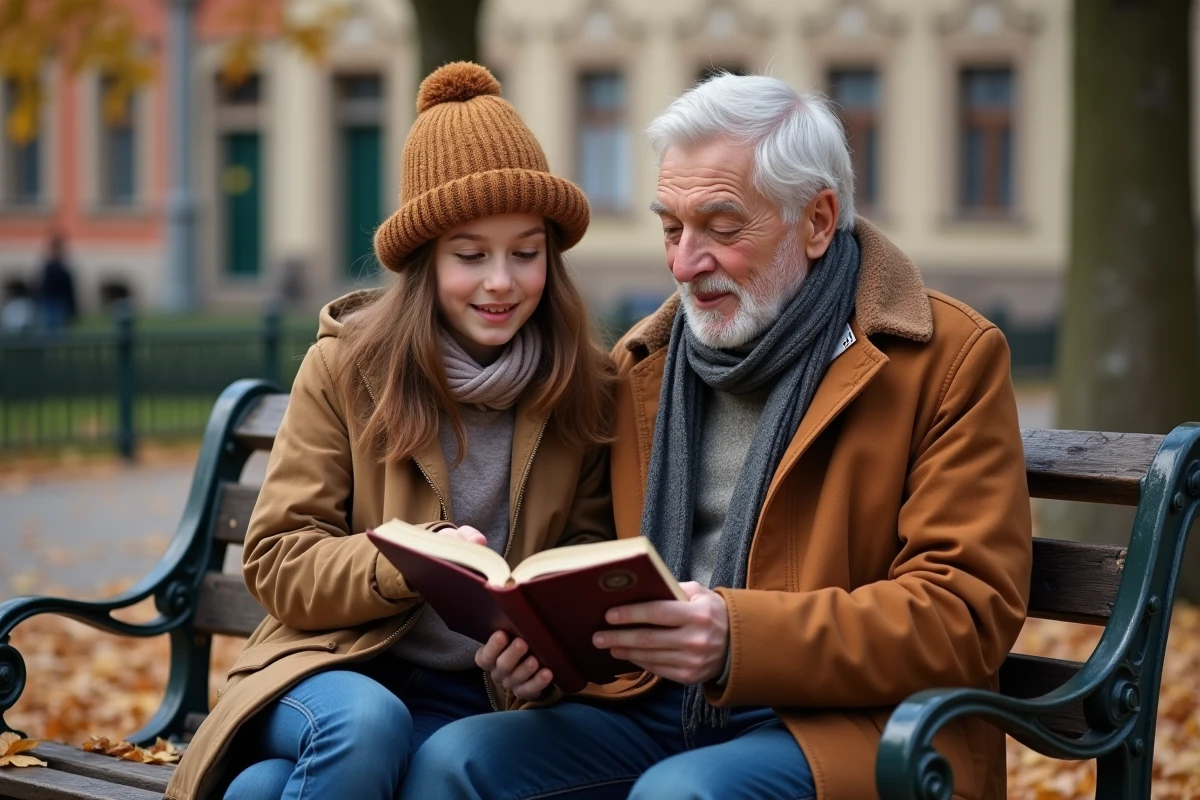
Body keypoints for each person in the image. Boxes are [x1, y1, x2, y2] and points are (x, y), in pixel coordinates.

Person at [399, 72, 1033, 800]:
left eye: (722, 229)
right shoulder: (642, 364)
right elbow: (596, 561)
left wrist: (738, 637)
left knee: (682, 793)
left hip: (854, 724)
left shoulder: (944, 358)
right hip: (652, 702)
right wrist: (545, 656)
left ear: (817, 221)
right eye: (671, 228)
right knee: (457, 761)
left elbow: (965, 613)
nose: (684, 263)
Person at [165, 62, 615, 800]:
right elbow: (278, 558)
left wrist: (544, 653)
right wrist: (407, 563)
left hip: (475, 698)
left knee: (265, 790)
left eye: (526, 252)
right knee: (367, 727)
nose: (501, 281)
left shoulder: (585, 388)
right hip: (326, 668)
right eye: (470, 255)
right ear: (425, 261)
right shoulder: (346, 369)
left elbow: (587, 556)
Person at [37, 233, 77, 331]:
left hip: (59, 303)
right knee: (52, 329)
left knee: (56, 329)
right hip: (52, 302)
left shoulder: (60, 266)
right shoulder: (51, 266)